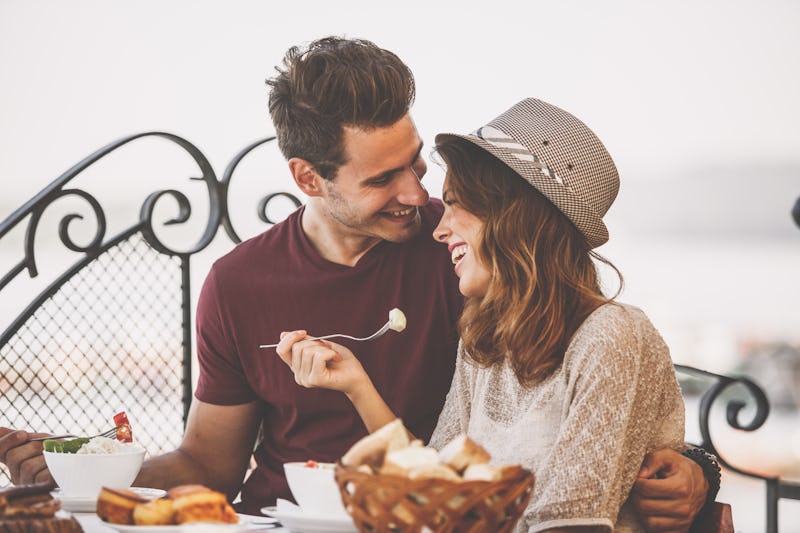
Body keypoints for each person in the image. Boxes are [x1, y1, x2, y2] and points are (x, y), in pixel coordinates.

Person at [0, 37, 711, 530]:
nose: (418, 196)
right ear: (309, 178)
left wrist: (695, 468)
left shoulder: (469, 260)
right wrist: (78, 462)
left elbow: (591, 375)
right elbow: (207, 466)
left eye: (417, 165)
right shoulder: (237, 283)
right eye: (382, 178)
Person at [276, 97, 694, 532]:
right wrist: (356, 384)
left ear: (514, 217)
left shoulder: (611, 336)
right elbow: (437, 485)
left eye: (456, 204)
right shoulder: (487, 342)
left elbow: (570, 525)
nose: (439, 228)